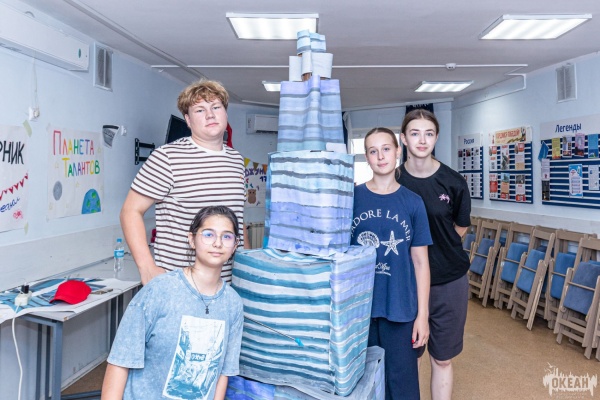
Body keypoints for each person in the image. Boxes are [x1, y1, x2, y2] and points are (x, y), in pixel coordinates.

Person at [102, 205, 244, 400]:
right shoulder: (159, 290)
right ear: (192, 240)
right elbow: (120, 361)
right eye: (208, 234)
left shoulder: (233, 303)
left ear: (235, 245)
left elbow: (222, 373)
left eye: (226, 236)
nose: (217, 243)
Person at [120, 79, 247, 285]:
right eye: (199, 110)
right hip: (179, 283)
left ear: (225, 113)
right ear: (188, 120)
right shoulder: (167, 157)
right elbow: (130, 211)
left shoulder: (236, 160)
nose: (210, 115)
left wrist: (246, 266)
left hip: (227, 284)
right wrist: (147, 267)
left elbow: (238, 219)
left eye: (216, 107)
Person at [351, 127, 431, 400]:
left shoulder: (413, 203)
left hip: (400, 309)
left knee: (403, 386)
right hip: (360, 310)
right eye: (373, 151)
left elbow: (421, 263)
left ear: (398, 151)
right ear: (366, 157)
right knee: (366, 386)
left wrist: (422, 316)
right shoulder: (352, 199)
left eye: (386, 149)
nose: (381, 156)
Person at [397, 109, 471, 400]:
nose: (422, 140)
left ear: (436, 137)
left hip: (448, 281)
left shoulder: (454, 182)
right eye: (415, 133)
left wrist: (439, 249)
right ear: (404, 139)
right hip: (406, 284)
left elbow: (461, 226)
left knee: (442, 359)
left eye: (428, 134)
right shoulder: (394, 180)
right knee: (408, 358)